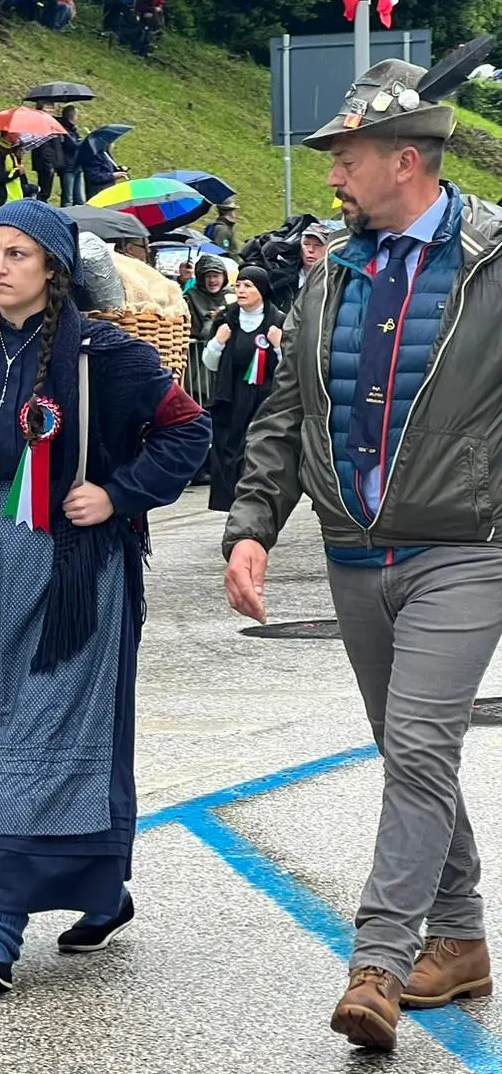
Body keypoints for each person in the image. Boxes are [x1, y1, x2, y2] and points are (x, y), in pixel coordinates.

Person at [222, 53, 502, 1051]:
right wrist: (251, 528)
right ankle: (460, 937)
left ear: (405, 160)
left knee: (421, 745)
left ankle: (377, 964)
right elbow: (286, 412)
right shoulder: (330, 272)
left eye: (344, 157)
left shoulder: (493, 257)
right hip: (352, 555)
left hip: (466, 549)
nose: (331, 176)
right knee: (408, 750)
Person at [0, 198, 209, 994]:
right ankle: (101, 891)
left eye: (17, 254)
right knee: (3, 727)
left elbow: (189, 431)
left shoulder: (103, 351)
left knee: (56, 722)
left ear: (53, 268)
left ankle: (2, 925)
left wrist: (118, 494)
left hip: (78, 573)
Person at [201, 268, 282, 512]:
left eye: (248, 286)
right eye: (238, 286)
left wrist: (279, 346)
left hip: (263, 400)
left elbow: (289, 368)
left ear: (262, 290)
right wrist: (218, 342)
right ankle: (232, 506)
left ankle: (257, 506)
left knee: (256, 453)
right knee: (226, 453)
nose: (242, 291)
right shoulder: (226, 320)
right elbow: (209, 363)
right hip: (230, 398)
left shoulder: (278, 321)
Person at [184, 254, 236, 342]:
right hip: (197, 350)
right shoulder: (191, 296)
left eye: (215, 275)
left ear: (224, 276)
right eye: (208, 276)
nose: (212, 280)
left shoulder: (232, 295)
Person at [0, 131, 26, 208]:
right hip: (2, 201)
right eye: (16, 132)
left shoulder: (13, 149)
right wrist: (17, 172)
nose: (19, 134)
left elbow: (19, 177)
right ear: (7, 133)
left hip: (17, 199)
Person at [80, 136, 127, 201]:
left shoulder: (105, 154)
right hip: (98, 193)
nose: (112, 144)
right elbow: (94, 177)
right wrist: (113, 176)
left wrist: (119, 169)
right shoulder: (93, 156)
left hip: (108, 191)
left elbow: (108, 168)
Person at [58, 107, 85, 206]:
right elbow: (73, 144)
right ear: (72, 116)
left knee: (80, 199)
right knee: (68, 198)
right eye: (77, 115)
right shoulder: (63, 130)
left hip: (77, 165)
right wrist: (82, 141)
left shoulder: (73, 130)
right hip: (68, 166)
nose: (78, 117)